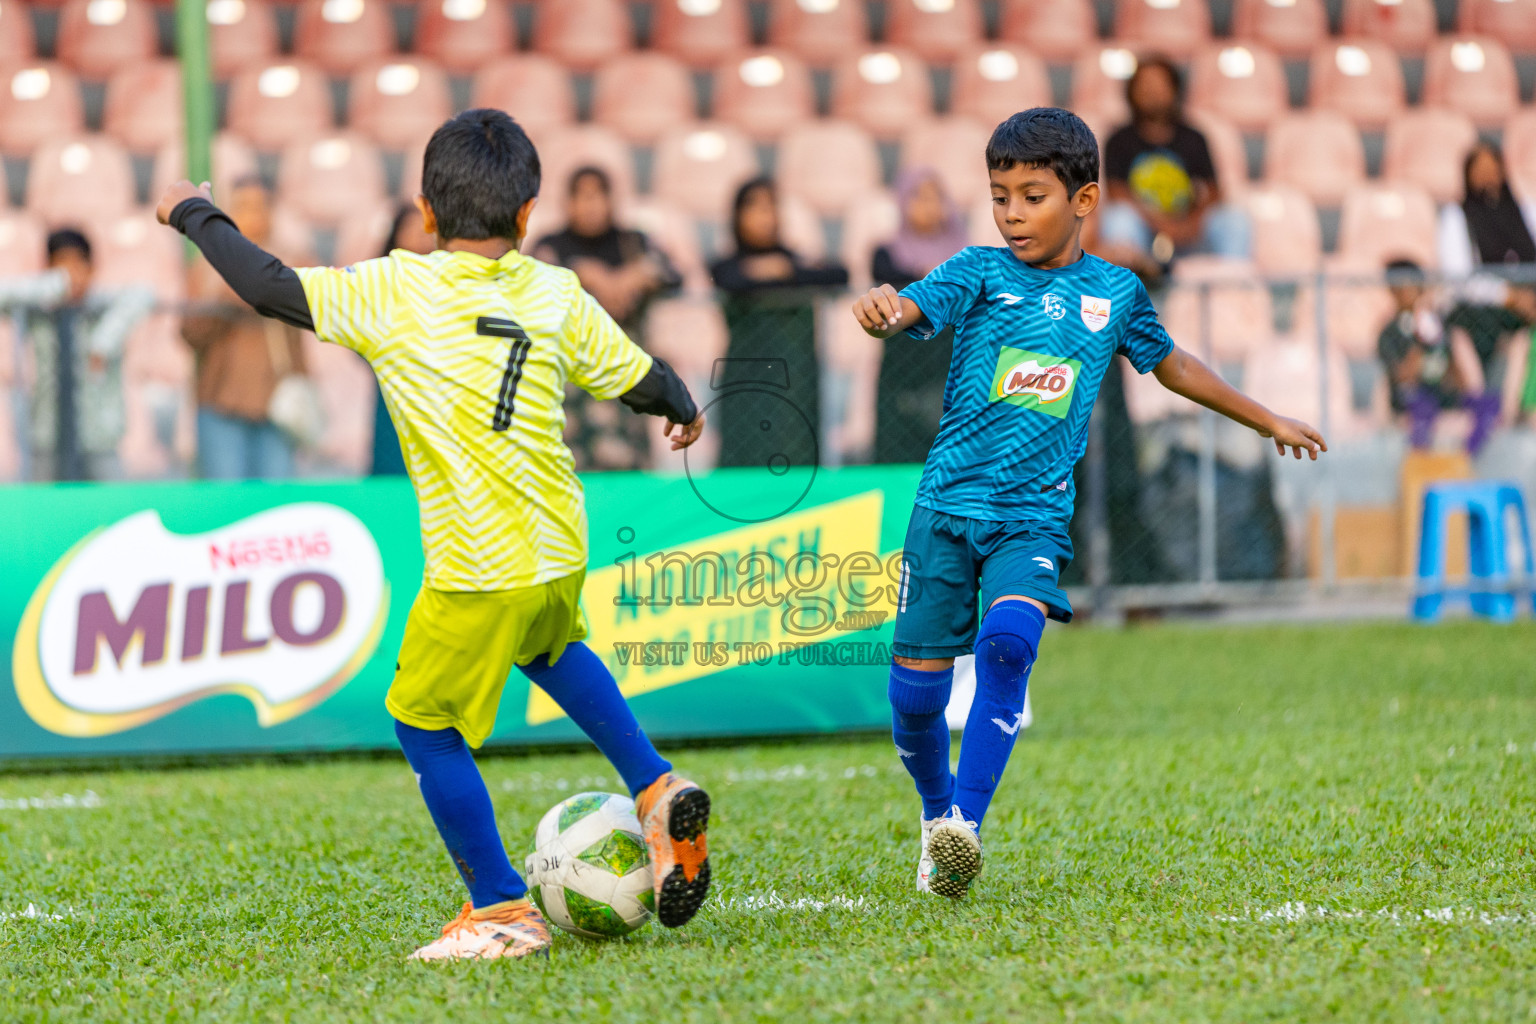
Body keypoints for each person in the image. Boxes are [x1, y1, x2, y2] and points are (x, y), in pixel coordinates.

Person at [157, 108, 713, 960]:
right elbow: (637, 374)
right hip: (559, 544)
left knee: (422, 723)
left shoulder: (394, 287)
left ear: (424, 212)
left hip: (476, 564)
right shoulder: (555, 290)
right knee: (554, 648)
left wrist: (194, 211)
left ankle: (499, 908)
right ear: (529, 216)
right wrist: (680, 403)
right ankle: (654, 787)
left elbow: (267, 286)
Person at [851, 108, 1324, 900]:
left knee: (1008, 644)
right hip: (944, 509)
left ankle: (964, 826)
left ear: (1084, 199)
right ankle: (935, 817)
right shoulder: (975, 270)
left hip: (1032, 516)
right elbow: (910, 307)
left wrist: (1266, 416)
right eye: (1000, 196)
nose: (1011, 214)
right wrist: (884, 309)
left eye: (1031, 196)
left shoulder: (1116, 292)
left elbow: (1172, 365)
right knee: (914, 702)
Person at [532, 166, 682, 471]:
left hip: (627, 370)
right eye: (582, 197)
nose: (590, 205)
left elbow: (673, 274)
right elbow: (530, 280)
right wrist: (580, 275)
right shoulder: (553, 244)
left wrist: (636, 276)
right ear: (568, 202)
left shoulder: (633, 242)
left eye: (597, 196)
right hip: (573, 377)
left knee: (630, 462)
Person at [710, 177, 848, 469]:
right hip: (745, 382)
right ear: (737, 216)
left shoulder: (792, 261)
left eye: (770, 206)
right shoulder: (727, 265)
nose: (764, 216)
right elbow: (729, 279)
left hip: (794, 385)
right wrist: (771, 272)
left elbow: (838, 273)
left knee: (796, 458)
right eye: (754, 207)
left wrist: (784, 270)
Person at [182, 177, 310, 480]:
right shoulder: (206, 266)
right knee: (227, 507)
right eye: (242, 207)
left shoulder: (292, 263)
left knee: (276, 507)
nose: (252, 215)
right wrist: (225, 301)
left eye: (259, 207)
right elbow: (190, 334)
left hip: (278, 405)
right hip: (221, 403)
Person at [5, 229, 154, 481]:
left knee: (111, 511)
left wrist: (102, 343)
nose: (72, 275)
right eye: (62, 266)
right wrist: (55, 285)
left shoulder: (101, 304)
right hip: (47, 435)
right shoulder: (39, 308)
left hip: (99, 438)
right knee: (47, 511)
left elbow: (145, 293)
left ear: (92, 267)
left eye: (78, 265)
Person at [1099, 56, 1249, 266]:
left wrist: (1191, 224)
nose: (1151, 91)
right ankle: (1127, 289)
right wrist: (1159, 224)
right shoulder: (1118, 140)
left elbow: (1213, 191)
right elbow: (1117, 193)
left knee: (1233, 220)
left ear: (1175, 89)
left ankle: (1234, 291)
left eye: (1159, 84)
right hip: (1144, 233)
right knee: (1119, 218)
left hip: (1189, 232)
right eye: (1144, 85)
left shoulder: (1194, 137)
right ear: (1131, 92)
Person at [872, 168, 969, 464]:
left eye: (935, 197)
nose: (928, 206)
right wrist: (931, 278)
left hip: (954, 371)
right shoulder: (886, 253)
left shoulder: (968, 256)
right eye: (919, 197)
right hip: (903, 378)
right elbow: (887, 278)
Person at [1378, 259, 1500, 455]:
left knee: (1485, 406)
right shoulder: (1391, 332)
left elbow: (1455, 374)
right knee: (1420, 408)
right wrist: (1421, 341)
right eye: (1401, 285)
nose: (1408, 291)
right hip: (1412, 402)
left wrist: (1437, 336)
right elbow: (1402, 376)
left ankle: (1469, 452)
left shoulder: (1442, 324)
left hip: (1442, 396)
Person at [368, 205, 436, 476]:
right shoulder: (378, 282)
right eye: (412, 229)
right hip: (393, 389)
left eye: (427, 230)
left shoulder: (451, 283)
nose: (421, 237)